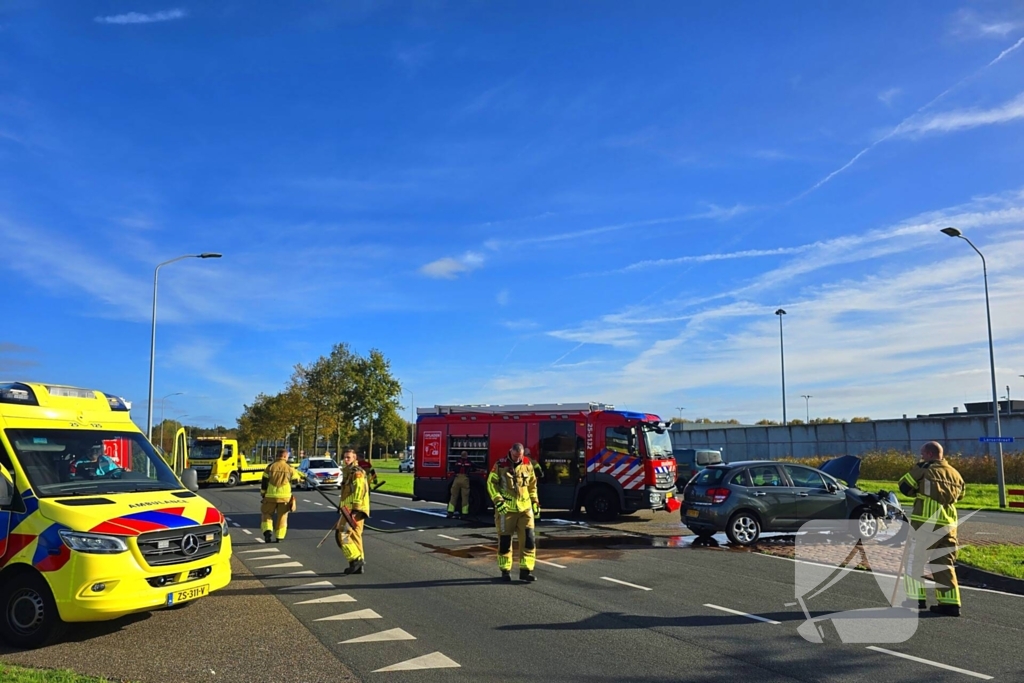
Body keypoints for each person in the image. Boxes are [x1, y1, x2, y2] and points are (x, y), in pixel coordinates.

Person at [899, 441, 966, 617]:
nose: (920, 456)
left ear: (929, 454)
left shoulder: (924, 468)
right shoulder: (955, 473)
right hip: (949, 526)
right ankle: (950, 604)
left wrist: (919, 476)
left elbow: (904, 486)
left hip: (925, 524)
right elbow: (962, 495)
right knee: (944, 564)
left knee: (914, 560)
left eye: (922, 454)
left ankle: (916, 600)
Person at [486, 443, 540, 582]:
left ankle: (526, 571)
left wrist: (535, 502)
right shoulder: (500, 464)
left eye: (520, 456)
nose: (517, 459)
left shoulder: (528, 464)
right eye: (515, 456)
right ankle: (505, 571)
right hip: (506, 509)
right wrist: (498, 500)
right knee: (505, 542)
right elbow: (491, 483)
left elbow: (533, 485)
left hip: (525, 509)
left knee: (529, 540)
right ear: (510, 452)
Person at [339, 447, 370, 574]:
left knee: (342, 534)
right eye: (345, 457)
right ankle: (359, 565)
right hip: (351, 509)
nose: (346, 460)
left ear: (354, 458)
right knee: (356, 536)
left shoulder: (356, 473)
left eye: (349, 457)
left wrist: (355, 509)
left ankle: (355, 560)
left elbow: (359, 491)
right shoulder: (348, 472)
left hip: (353, 510)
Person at [260, 449, 300, 544]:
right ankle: (279, 537)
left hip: (270, 496)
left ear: (276, 456)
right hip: (285, 498)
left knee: (267, 514)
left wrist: (263, 493)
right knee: (282, 517)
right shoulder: (290, 468)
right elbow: (295, 481)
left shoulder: (270, 467)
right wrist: (299, 478)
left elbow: (264, 482)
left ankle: (268, 531)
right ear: (286, 457)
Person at [448, 451, 474, 518]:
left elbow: (454, 468)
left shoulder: (457, 462)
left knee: (453, 496)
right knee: (465, 497)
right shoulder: (468, 462)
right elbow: (474, 467)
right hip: (465, 479)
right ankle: (464, 514)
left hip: (457, 479)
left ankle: (450, 512)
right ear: (466, 456)